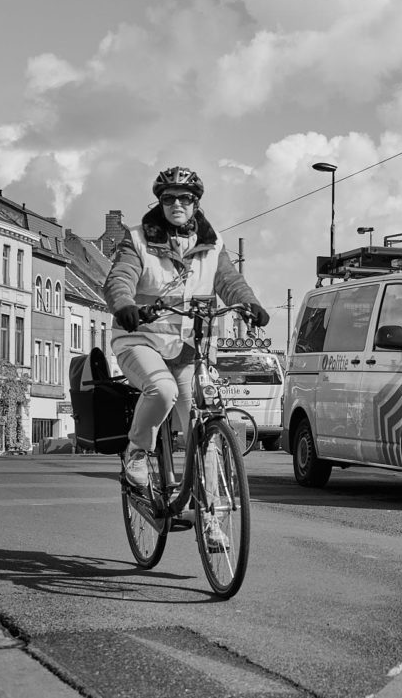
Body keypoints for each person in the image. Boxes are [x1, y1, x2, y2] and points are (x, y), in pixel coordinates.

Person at [103, 166, 269, 546]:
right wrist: (124, 304)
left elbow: (229, 281)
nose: (176, 204)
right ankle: (137, 453)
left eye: (185, 198)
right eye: (168, 198)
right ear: (159, 202)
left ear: (196, 203)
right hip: (139, 342)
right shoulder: (138, 240)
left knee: (206, 430)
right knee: (162, 391)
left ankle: (211, 517)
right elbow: (120, 278)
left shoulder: (212, 245)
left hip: (186, 350)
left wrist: (250, 303)